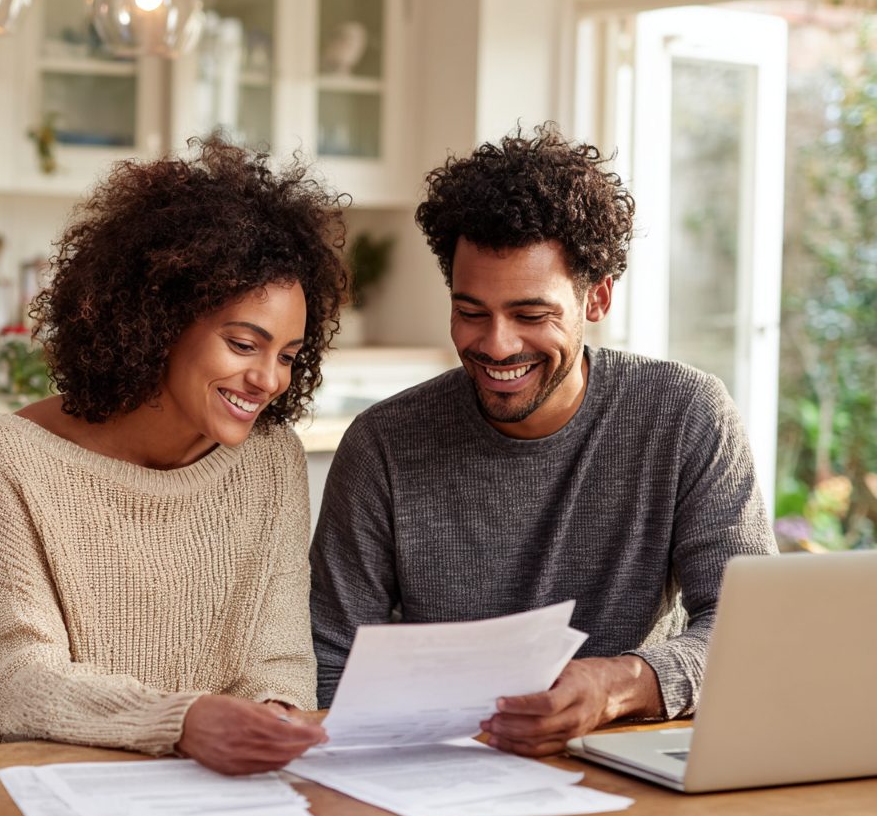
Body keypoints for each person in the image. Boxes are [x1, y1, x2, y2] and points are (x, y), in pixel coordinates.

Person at [310, 124, 778, 755]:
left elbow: (749, 631)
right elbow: (330, 659)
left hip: (625, 761)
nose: (496, 345)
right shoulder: (384, 445)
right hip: (438, 772)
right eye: (470, 312)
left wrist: (622, 684)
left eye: (531, 315)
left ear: (597, 298)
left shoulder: (685, 415)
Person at [0, 138, 345, 776]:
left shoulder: (272, 462)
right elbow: (13, 675)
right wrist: (178, 722)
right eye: (243, 344)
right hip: (13, 783)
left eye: (287, 355)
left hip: (189, 788)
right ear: (161, 322)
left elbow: (279, 657)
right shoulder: (9, 454)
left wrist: (272, 719)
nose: (269, 379)